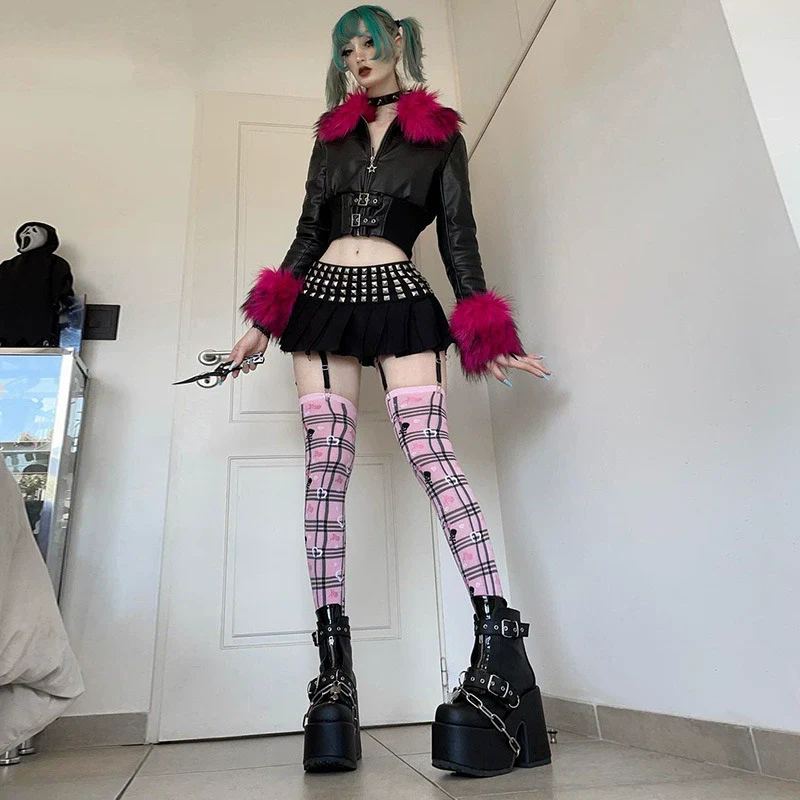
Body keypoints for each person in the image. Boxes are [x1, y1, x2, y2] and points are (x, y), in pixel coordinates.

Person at [227, 4, 552, 778]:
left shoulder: (440, 135)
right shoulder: (331, 135)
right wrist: (263, 321)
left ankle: (498, 644)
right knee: (326, 470)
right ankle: (334, 679)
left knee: (432, 455)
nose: (359, 57)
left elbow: (459, 235)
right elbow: (309, 231)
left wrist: (488, 333)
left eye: (369, 42)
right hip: (322, 301)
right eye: (346, 49)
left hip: (400, 296)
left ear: (397, 41)